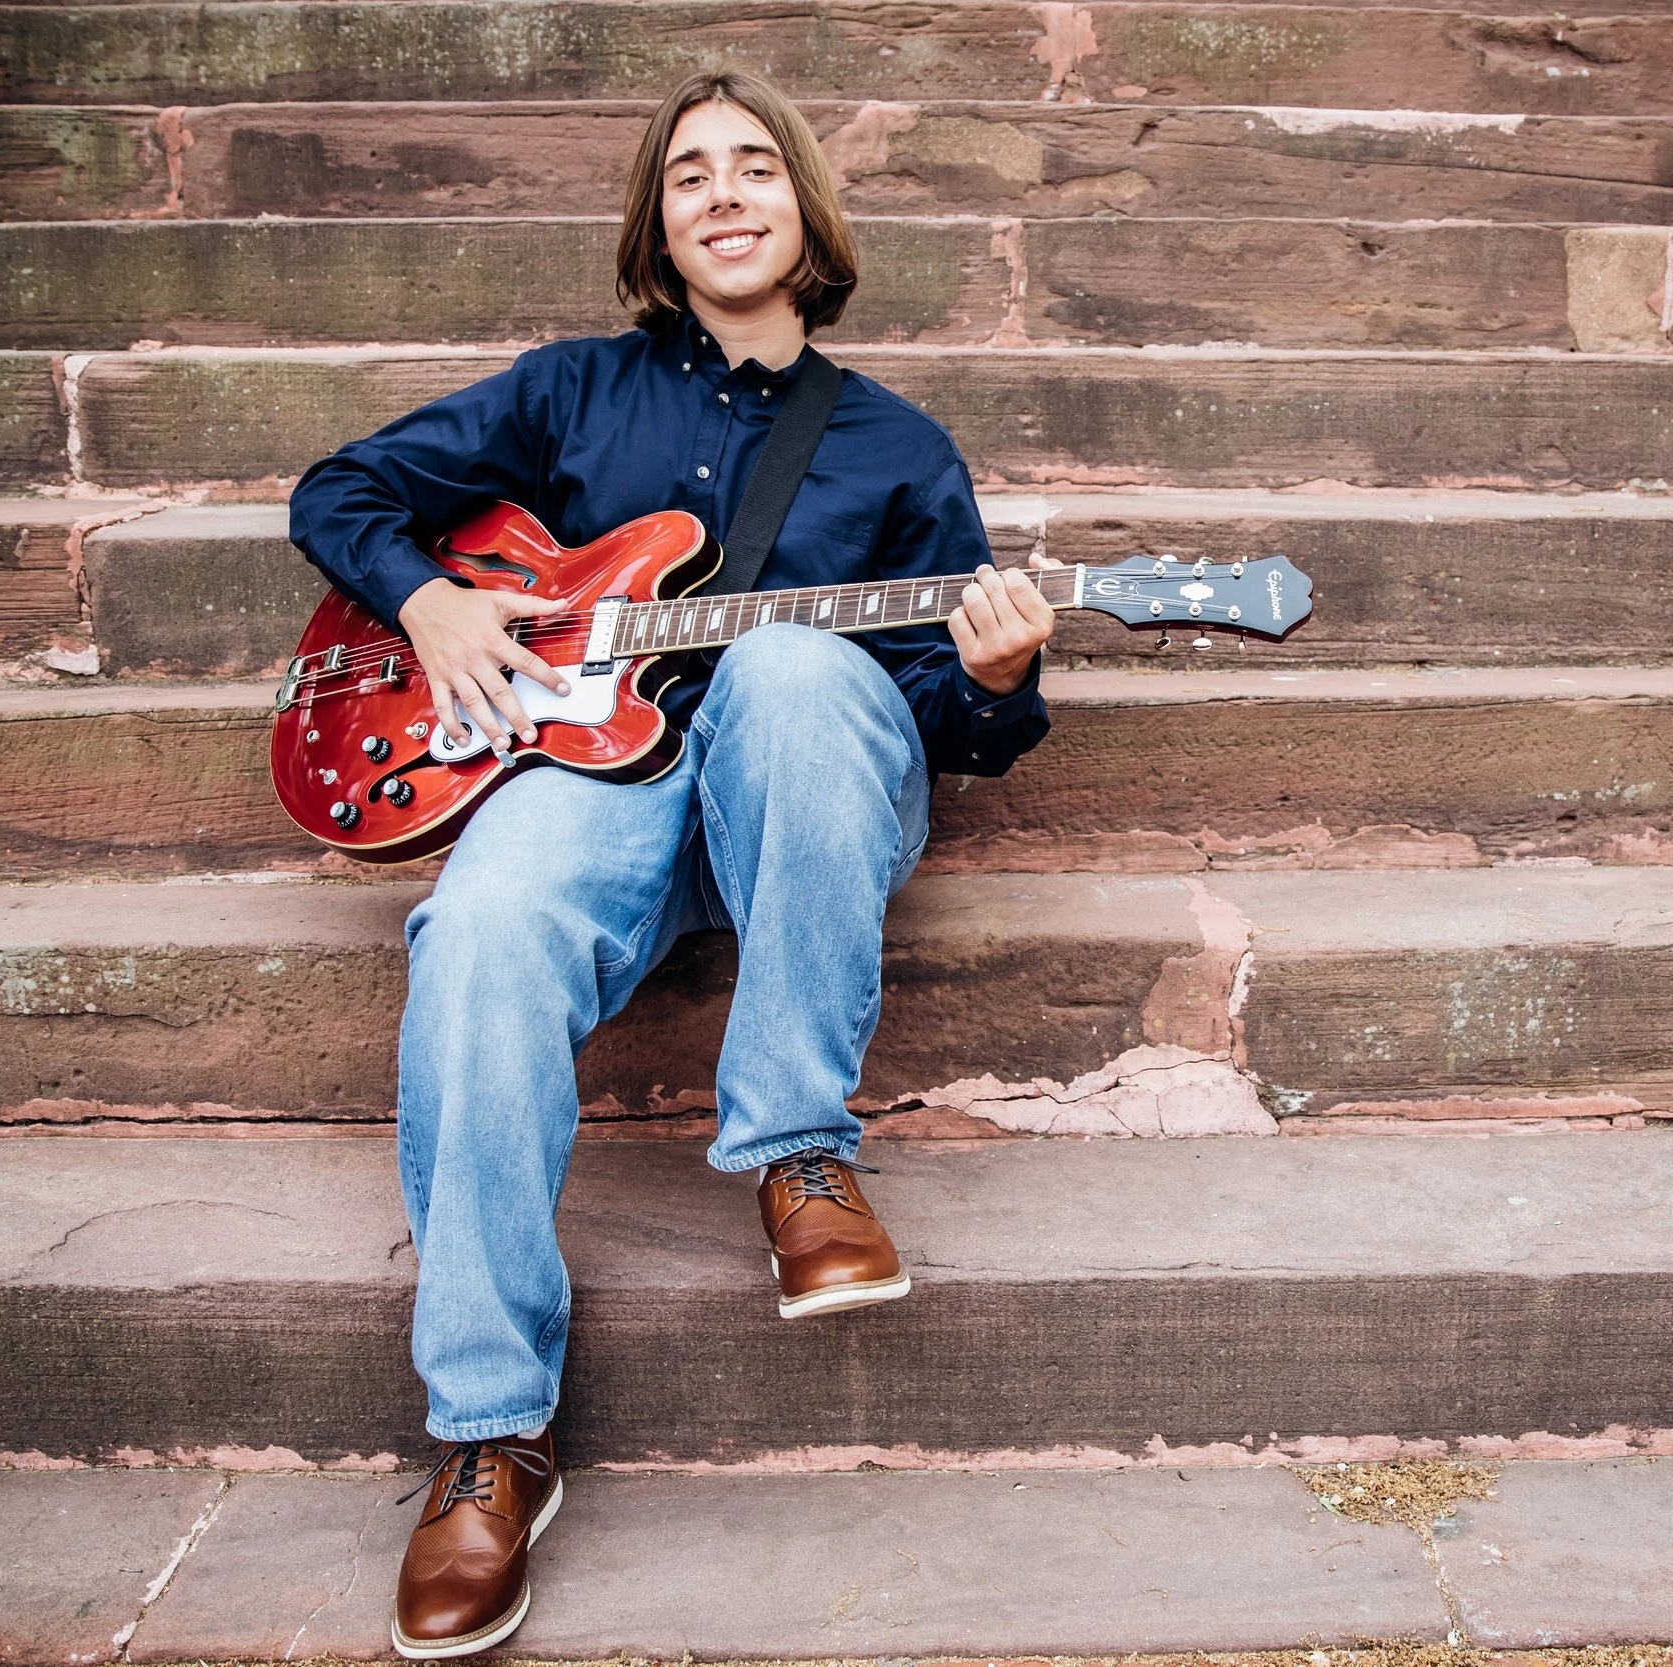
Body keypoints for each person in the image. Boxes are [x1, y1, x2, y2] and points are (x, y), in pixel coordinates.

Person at [286, 67, 1056, 1660]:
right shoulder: (572, 394)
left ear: (803, 208)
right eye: (689, 172)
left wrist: (991, 679)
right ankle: (493, 1432)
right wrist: (428, 602)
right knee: (484, 926)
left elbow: (941, 721)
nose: (722, 192)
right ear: (658, 221)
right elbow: (338, 491)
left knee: (787, 670)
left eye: (754, 167)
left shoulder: (899, 449)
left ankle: (796, 1153)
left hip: (803, 805)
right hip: (595, 777)